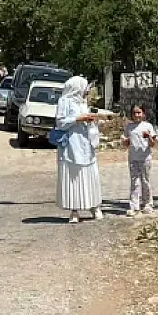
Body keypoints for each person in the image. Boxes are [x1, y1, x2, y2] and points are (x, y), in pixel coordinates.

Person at [54, 76, 104, 223]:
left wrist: (93, 120)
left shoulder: (83, 102)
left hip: (86, 144)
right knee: (73, 178)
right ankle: (74, 211)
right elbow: (60, 122)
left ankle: (94, 206)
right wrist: (78, 119)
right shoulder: (64, 101)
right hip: (71, 145)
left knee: (90, 175)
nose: (86, 91)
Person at [123, 105, 156, 216]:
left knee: (145, 181)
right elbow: (126, 143)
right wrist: (125, 141)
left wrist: (149, 136)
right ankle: (134, 206)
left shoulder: (148, 126)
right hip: (133, 158)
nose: (137, 115)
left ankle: (148, 204)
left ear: (143, 114)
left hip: (145, 158)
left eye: (139, 112)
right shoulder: (129, 127)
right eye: (134, 113)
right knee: (134, 182)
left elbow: (153, 144)